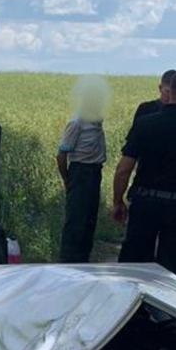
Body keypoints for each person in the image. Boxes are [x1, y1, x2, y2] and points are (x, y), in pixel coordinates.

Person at [113, 68, 176, 273]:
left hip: (144, 203)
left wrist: (117, 200)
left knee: (133, 267)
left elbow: (124, 169)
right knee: (172, 270)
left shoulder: (144, 124)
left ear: (169, 90)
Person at [57, 77, 108, 262]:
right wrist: (67, 180)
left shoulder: (96, 121)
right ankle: (69, 262)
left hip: (94, 173)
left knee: (88, 220)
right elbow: (61, 155)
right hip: (80, 173)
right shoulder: (77, 122)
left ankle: (83, 260)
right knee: (76, 221)